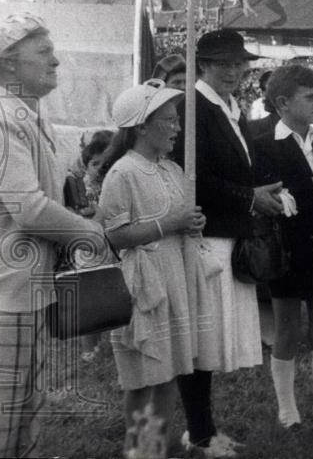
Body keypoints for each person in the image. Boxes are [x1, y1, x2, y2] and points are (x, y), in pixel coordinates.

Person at [0, 12, 106, 457]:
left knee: (24, 418)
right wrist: (93, 234)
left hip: (24, 291)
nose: (56, 61)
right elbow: (30, 209)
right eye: (43, 52)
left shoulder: (24, 115)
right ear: (6, 64)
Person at [171, 29, 284, 457]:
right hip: (204, 236)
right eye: (224, 63)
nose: (234, 70)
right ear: (203, 65)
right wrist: (246, 196)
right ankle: (199, 433)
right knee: (199, 344)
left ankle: (202, 429)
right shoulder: (192, 106)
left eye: (239, 63)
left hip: (228, 234)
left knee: (211, 342)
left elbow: (235, 170)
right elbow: (192, 176)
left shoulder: (231, 107)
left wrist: (261, 189)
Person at [97, 80, 207, 456]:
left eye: (177, 120)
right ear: (141, 126)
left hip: (172, 278)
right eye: (169, 120)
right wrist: (170, 223)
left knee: (167, 376)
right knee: (142, 379)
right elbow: (115, 236)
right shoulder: (123, 173)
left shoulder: (173, 169)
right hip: (141, 286)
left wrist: (191, 223)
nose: (177, 127)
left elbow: (180, 218)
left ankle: (154, 449)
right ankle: (140, 451)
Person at [253, 65, 313, 434]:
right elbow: (277, 197)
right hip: (286, 250)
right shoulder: (262, 144)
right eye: (310, 97)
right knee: (287, 330)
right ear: (282, 103)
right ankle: (287, 409)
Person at [62, 128, 114, 362]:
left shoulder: (115, 183)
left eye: (107, 165)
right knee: (90, 300)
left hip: (111, 247)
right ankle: (88, 348)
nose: (100, 170)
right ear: (88, 162)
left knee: (110, 295)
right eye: (96, 163)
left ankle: (108, 340)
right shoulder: (80, 185)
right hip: (88, 248)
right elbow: (75, 213)